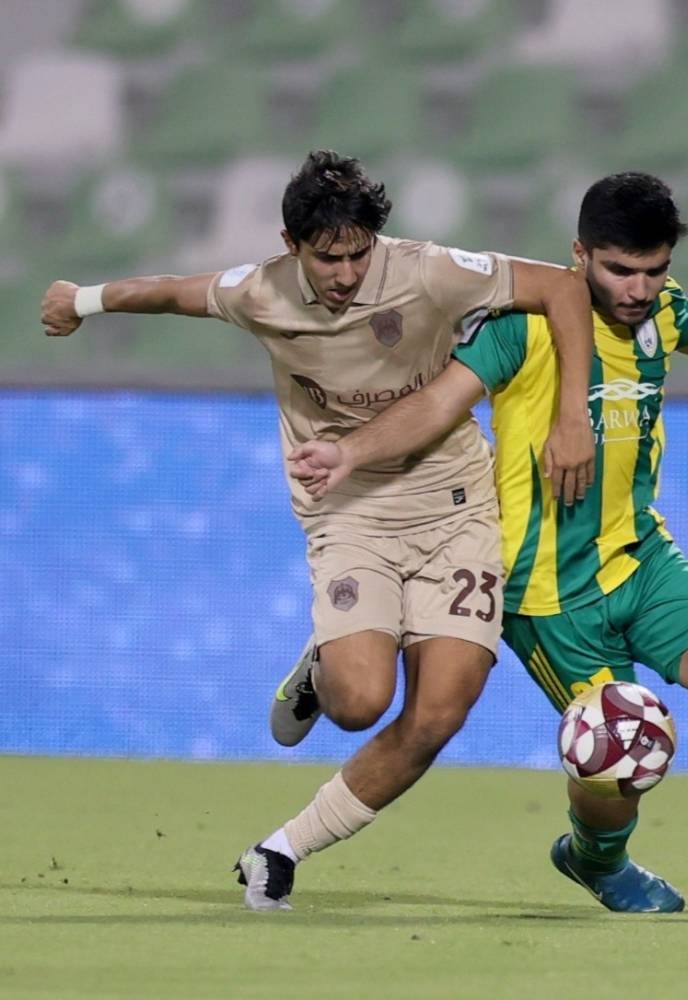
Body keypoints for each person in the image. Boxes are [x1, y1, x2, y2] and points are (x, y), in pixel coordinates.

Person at [282, 172, 688, 921]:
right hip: (547, 595)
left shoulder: (660, 312)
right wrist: (351, 452)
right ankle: (597, 860)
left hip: (641, 558)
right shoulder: (521, 326)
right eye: (618, 270)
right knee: (618, 763)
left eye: (654, 270)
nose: (638, 289)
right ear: (579, 256)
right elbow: (438, 403)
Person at [40, 150, 598, 912]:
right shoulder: (258, 292)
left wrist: (572, 417)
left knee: (438, 713)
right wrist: (85, 298)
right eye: (327, 257)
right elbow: (171, 292)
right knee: (360, 703)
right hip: (350, 511)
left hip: (456, 505)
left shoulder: (431, 271)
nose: (345, 274)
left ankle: (282, 847)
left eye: (359, 253)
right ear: (290, 244)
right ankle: (325, 664)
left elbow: (563, 288)